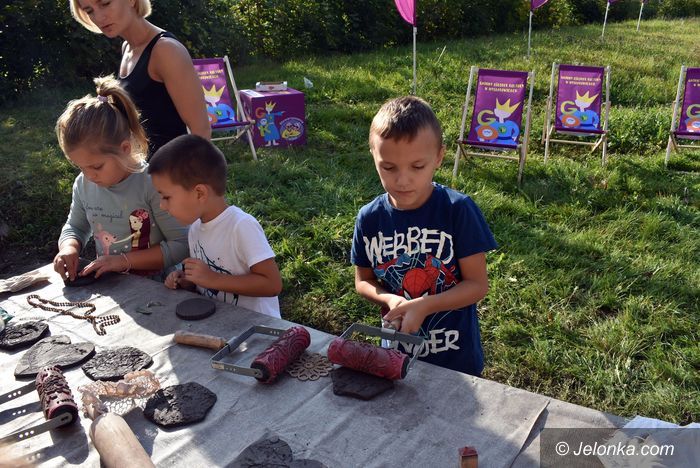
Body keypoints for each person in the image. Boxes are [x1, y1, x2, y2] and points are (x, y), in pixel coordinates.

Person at [351, 96, 498, 376]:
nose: (402, 180)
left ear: (439, 157)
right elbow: (364, 281)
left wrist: (426, 305)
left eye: (417, 167)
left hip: (455, 357)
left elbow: (477, 285)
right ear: (373, 156)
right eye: (388, 167)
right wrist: (390, 300)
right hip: (396, 354)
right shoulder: (369, 218)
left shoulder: (458, 210)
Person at [53, 76, 189, 281]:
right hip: (112, 286)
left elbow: (182, 244)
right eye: (80, 167)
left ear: (124, 149)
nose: (89, 175)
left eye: (97, 166)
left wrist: (124, 261)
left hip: (160, 288)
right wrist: (69, 247)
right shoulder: (83, 184)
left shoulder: (153, 184)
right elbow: (76, 227)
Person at [148, 135, 283, 318]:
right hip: (220, 325)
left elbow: (272, 284)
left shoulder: (241, 226)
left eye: (166, 197)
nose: (162, 206)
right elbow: (207, 282)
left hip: (257, 328)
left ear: (199, 193)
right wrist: (188, 280)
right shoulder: (195, 230)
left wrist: (213, 279)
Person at [69, 0, 211, 156]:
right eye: (89, 11)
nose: (98, 17)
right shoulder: (127, 48)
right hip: (143, 168)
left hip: (174, 167)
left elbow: (201, 131)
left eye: (105, 3)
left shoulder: (166, 50)